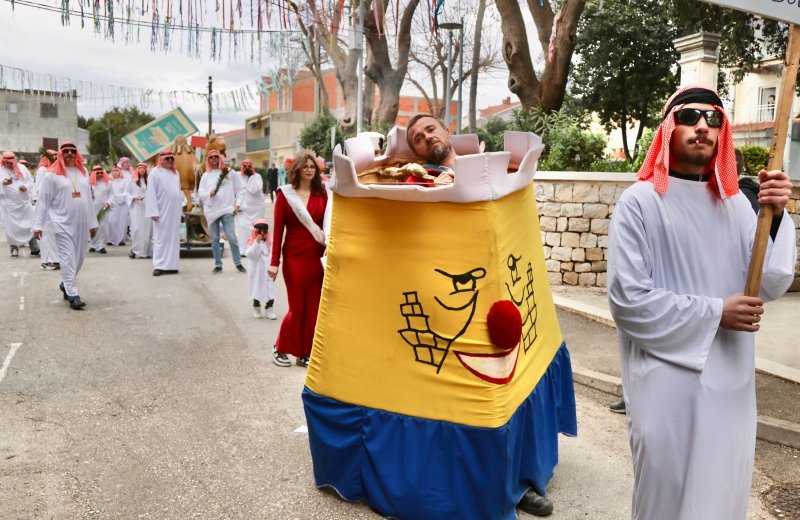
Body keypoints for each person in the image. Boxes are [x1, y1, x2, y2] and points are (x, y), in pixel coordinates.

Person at [607, 85, 796, 519]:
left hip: (731, 384)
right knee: (665, 495)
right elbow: (628, 300)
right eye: (690, 117)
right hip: (665, 383)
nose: (702, 127)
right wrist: (715, 313)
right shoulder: (639, 203)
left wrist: (778, 214)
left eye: (713, 119)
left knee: (721, 494)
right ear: (669, 128)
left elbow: (769, 282)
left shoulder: (738, 207)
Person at [268, 150, 329, 368]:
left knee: (313, 307)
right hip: (293, 257)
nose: (310, 170)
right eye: (306, 167)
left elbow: (329, 225)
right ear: (298, 170)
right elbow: (277, 230)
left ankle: (305, 353)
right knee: (297, 307)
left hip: (316, 257)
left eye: (313, 167)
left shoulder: (323, 194)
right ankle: (280, 347)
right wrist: (274, 262)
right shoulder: (285, 195)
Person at [32, 142, 98, 310]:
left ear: (77, 154)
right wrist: (38, 225)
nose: (69, 153)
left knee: (79, 258)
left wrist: (92, 222)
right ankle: (73, 294)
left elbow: (89, 200)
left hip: (82, 223)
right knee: (67, 257)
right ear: (61, 154)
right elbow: (43, 201)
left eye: (72, 151)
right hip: (61, 222)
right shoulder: (51, 175)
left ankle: (65, 284)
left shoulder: (83, 173)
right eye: (66, 151)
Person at [198, 149, 246, 274]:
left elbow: (240, 190)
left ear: (220, 158)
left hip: (227, 209)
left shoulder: (229, 173)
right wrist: (210, 193)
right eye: (211, 157)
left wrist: (238, 205)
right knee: (214, 239)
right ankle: (218, 265)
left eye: (216, 156)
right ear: (208, 160)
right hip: (211, 212)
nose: (214, 159)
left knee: (232, 237)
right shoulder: (205, 175)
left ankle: (238, 263)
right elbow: (200, 193)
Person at [145, 150, 182, 276]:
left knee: (173, 237)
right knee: (161, 237)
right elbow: (151, 193)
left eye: (172, 159)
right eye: (168, 159)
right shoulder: (155, 173)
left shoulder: (175, 173)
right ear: (162, 160)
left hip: (174, 211)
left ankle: (172, 265)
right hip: (161, 211)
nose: (170, 161)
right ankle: (159, 265)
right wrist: (153, 211)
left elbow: (177, 191)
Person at [1, 151, 39, 257]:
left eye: (10, 162)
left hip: (24, 205)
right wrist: (2, 183)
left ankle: (34, 248)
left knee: (29, 225)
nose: (8, 164)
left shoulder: (22, 168)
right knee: (11, 229)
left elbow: (30, 181)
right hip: (9, 207)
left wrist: (25, 187)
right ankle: (13, 249)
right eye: (6, 162)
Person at [405, 114, 457, 186]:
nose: (427, 137)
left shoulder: (476, 164)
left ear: (447, 131)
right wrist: (434, 190)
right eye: (419, 139)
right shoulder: (415, 181)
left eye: (431, 129)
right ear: (416, 153)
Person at [32, 150, 60, 269]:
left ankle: (54, 259)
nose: (54, 158)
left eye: (56, 156)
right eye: (52, 156)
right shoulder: (43, 170)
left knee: (51, 234)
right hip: (44, 206)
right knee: (46, 233)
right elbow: (39, 190)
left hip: (51, 206)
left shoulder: (52, 171)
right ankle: (47, 261)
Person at [244, 219, 277, 320]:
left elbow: (274, 255)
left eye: (265, 231)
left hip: (268, 271)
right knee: (256, 289)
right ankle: (256, 308)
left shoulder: (270, 242)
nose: (262, 234)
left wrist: (274, 268)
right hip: (257, 271)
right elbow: (250, 255)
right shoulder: (251, 242)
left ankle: (269, 308)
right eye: (259, 231)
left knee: (270, 289)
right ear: (255, 231)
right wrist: (256, 243)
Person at [236, 160, 266, 250]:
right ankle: (243, 250)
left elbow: (255, 189)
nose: (247, 168)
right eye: (245, 166)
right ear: (242, 167)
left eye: (249, 166)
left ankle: (254, 248)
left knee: (255, 228)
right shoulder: (238, 176)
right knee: (243, 227)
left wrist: (250, 177)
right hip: (244, 208)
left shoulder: (257, 176)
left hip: (257, 209)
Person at [127, 162, 153, 259]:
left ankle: (145, 251)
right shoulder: (132, 181)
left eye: (144, 168)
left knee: (147, 230)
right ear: (137, 169)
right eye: (140, 168)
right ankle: (134, 250)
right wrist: (134, 198)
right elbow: (126, 194)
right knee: (136, 228)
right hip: (136, 208)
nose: (142, 170)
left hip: (147, 208)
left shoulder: (149, 181)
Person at [88, 165, 111, 255]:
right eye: (98, 173)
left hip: (104, 208)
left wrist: (109, 203)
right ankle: (93, 245)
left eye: (101, 172)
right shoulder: (89, 184)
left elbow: (113, 195)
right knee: (93, 227)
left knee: (103, 227)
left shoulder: (108, 183)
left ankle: (101, 245)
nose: (100, 174)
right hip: (93, 208)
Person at [105, 166, 129, 246]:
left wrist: (117, 198)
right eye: (113, 170)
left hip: (122, 204)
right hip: (112, 204)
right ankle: (110, 239)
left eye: (117, 170)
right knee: (111, 221)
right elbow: (108, 194)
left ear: (120, 172)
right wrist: (110, 201)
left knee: (122, 222)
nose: (115, 172)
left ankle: (121, 239)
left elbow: (126, 192)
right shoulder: (109, 182)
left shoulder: (125, 181)